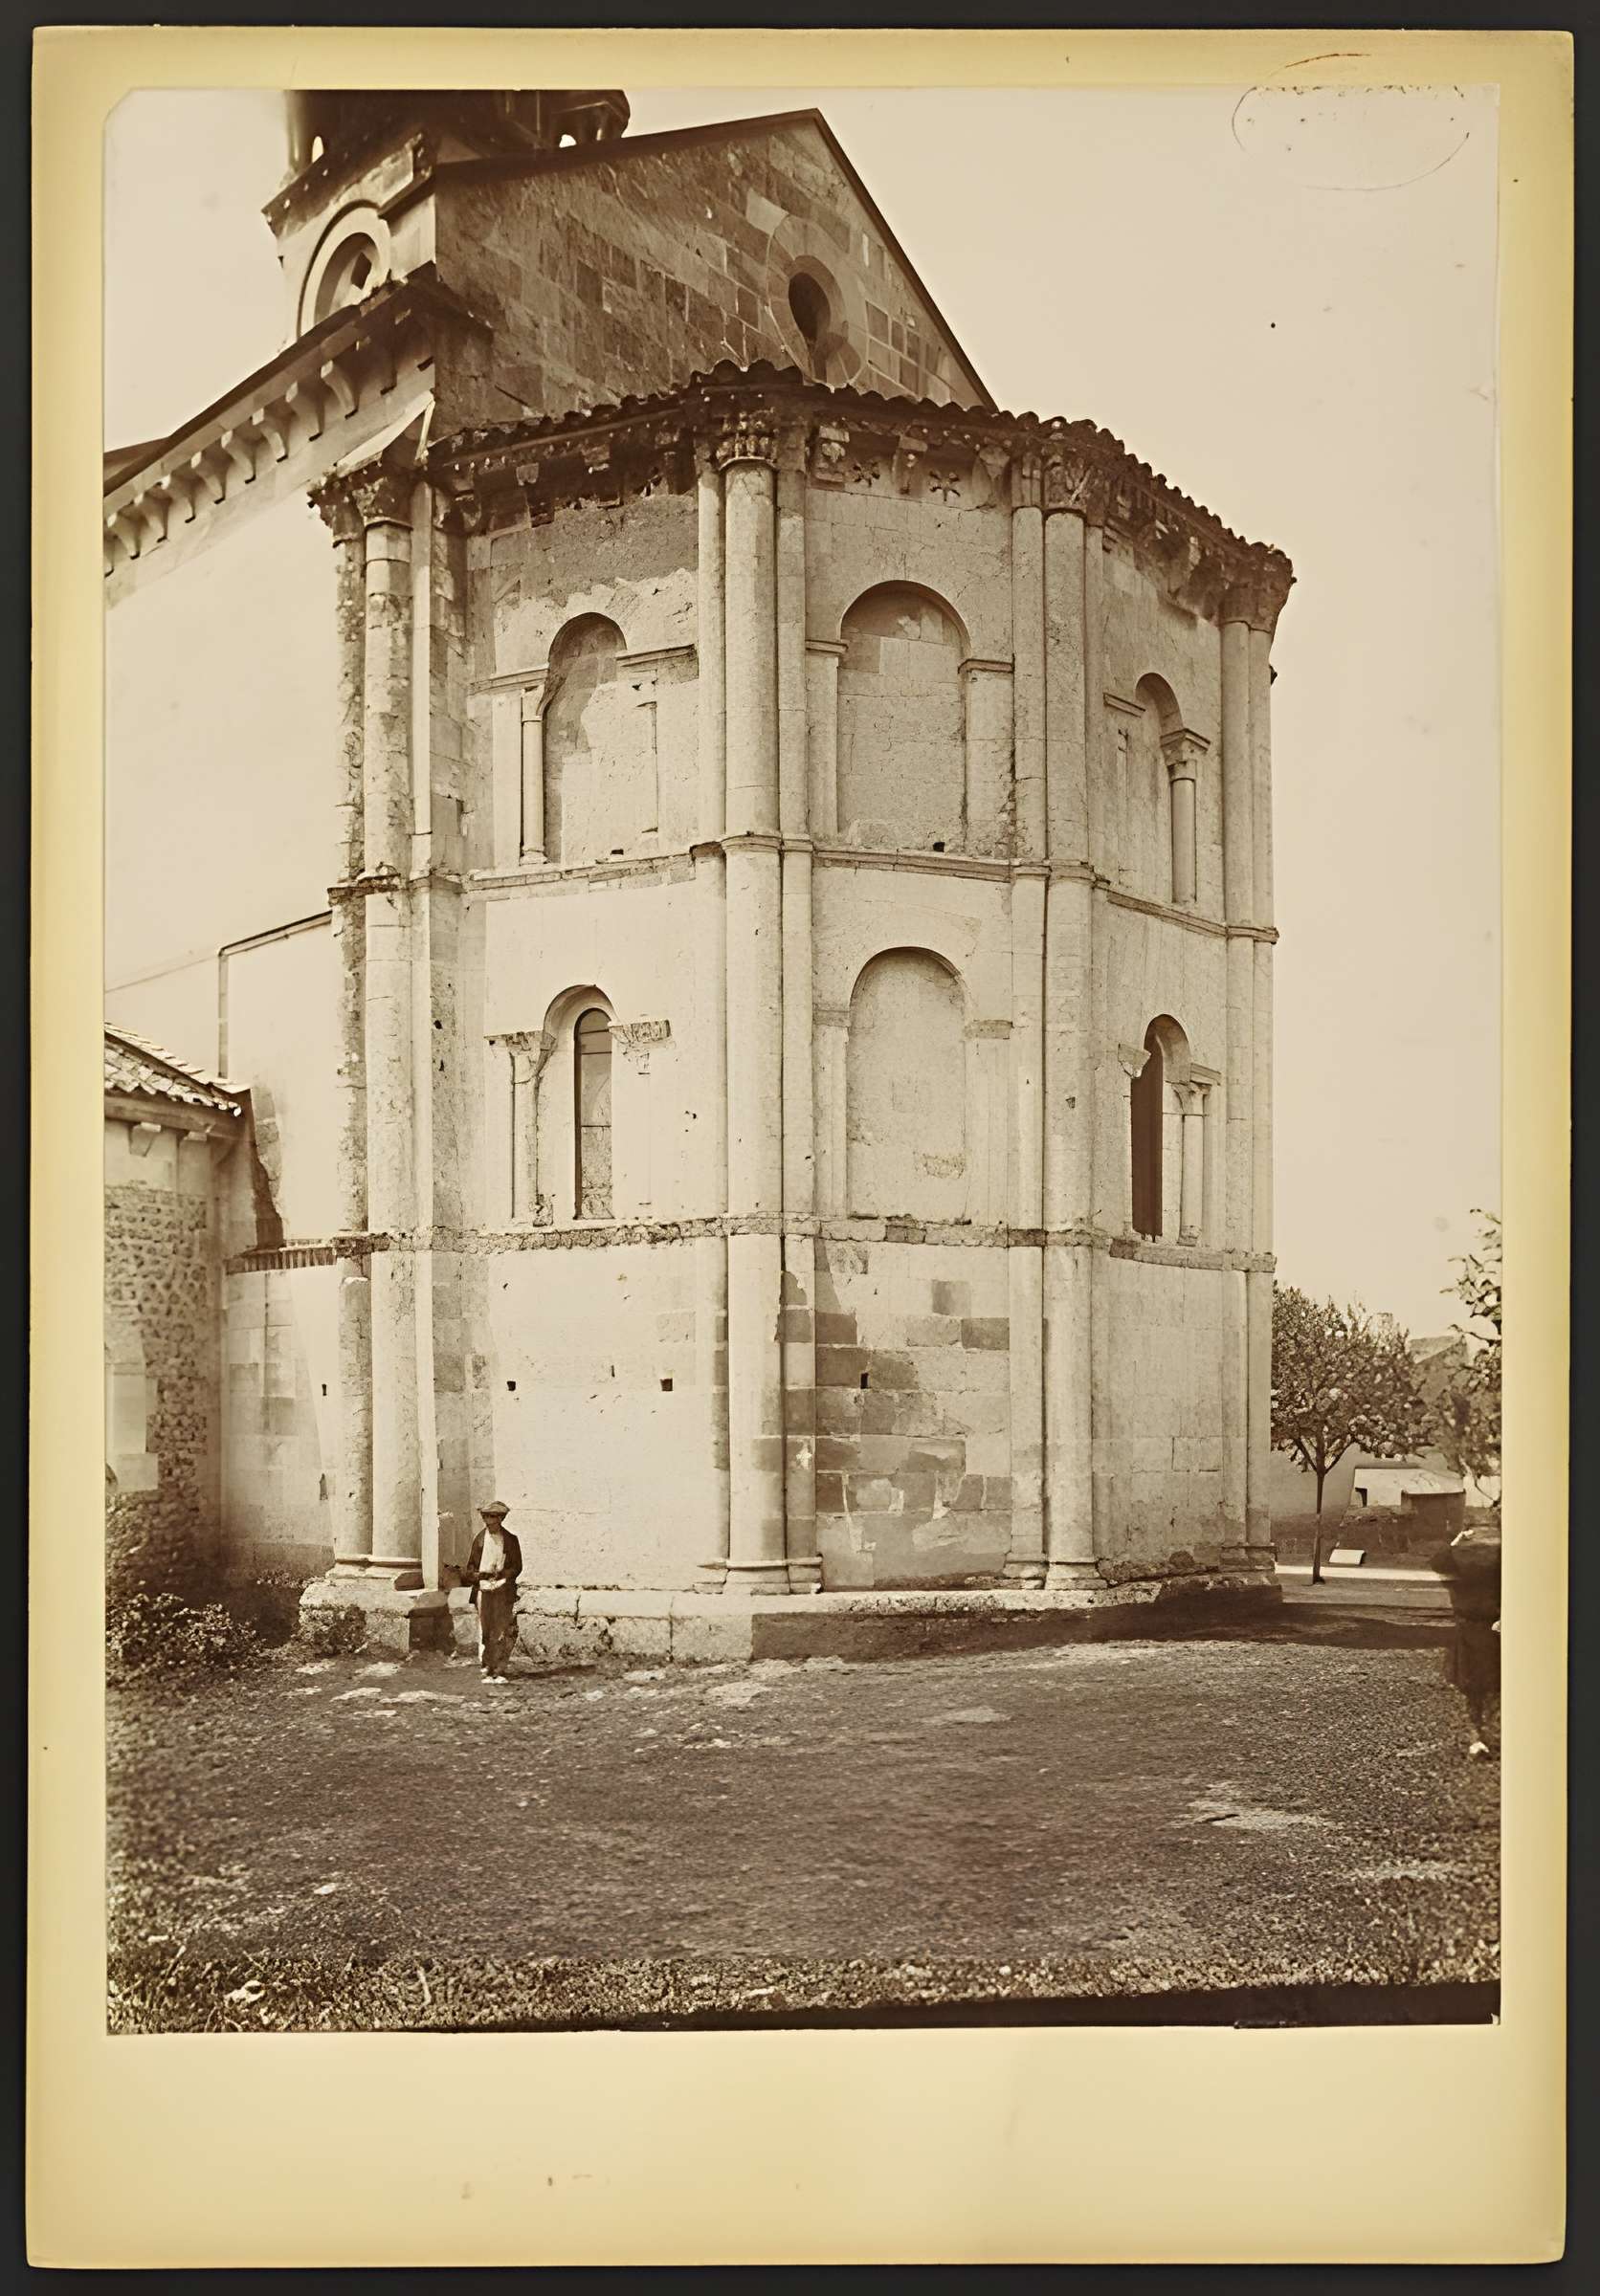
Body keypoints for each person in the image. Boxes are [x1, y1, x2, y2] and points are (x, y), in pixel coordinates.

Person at [1433, 1521, 1501, 1757]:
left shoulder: (1497, 1564)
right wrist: (1457, 1541)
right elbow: (1439, 1561)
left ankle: (1487, 1737)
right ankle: (1479, 1738)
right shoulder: (1461, 1568)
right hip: (1470, 1632)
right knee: (1475, 1690)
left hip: (1493, 1630)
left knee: (1494, 1688)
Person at [463, 1499, 522, 1684]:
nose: (490, 1523)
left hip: (503, 1589)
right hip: (483, 1588)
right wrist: (479, 1576)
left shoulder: (511, 1540)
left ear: (500, 1519)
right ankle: (487, 1665)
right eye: (486, 1519)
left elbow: (517, 1567)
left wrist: (503, 1574)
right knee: (486, 1627)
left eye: (493, 1519)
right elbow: (469, 1568)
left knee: (501, 1628)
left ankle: (499, 1668)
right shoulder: (480, 1540)